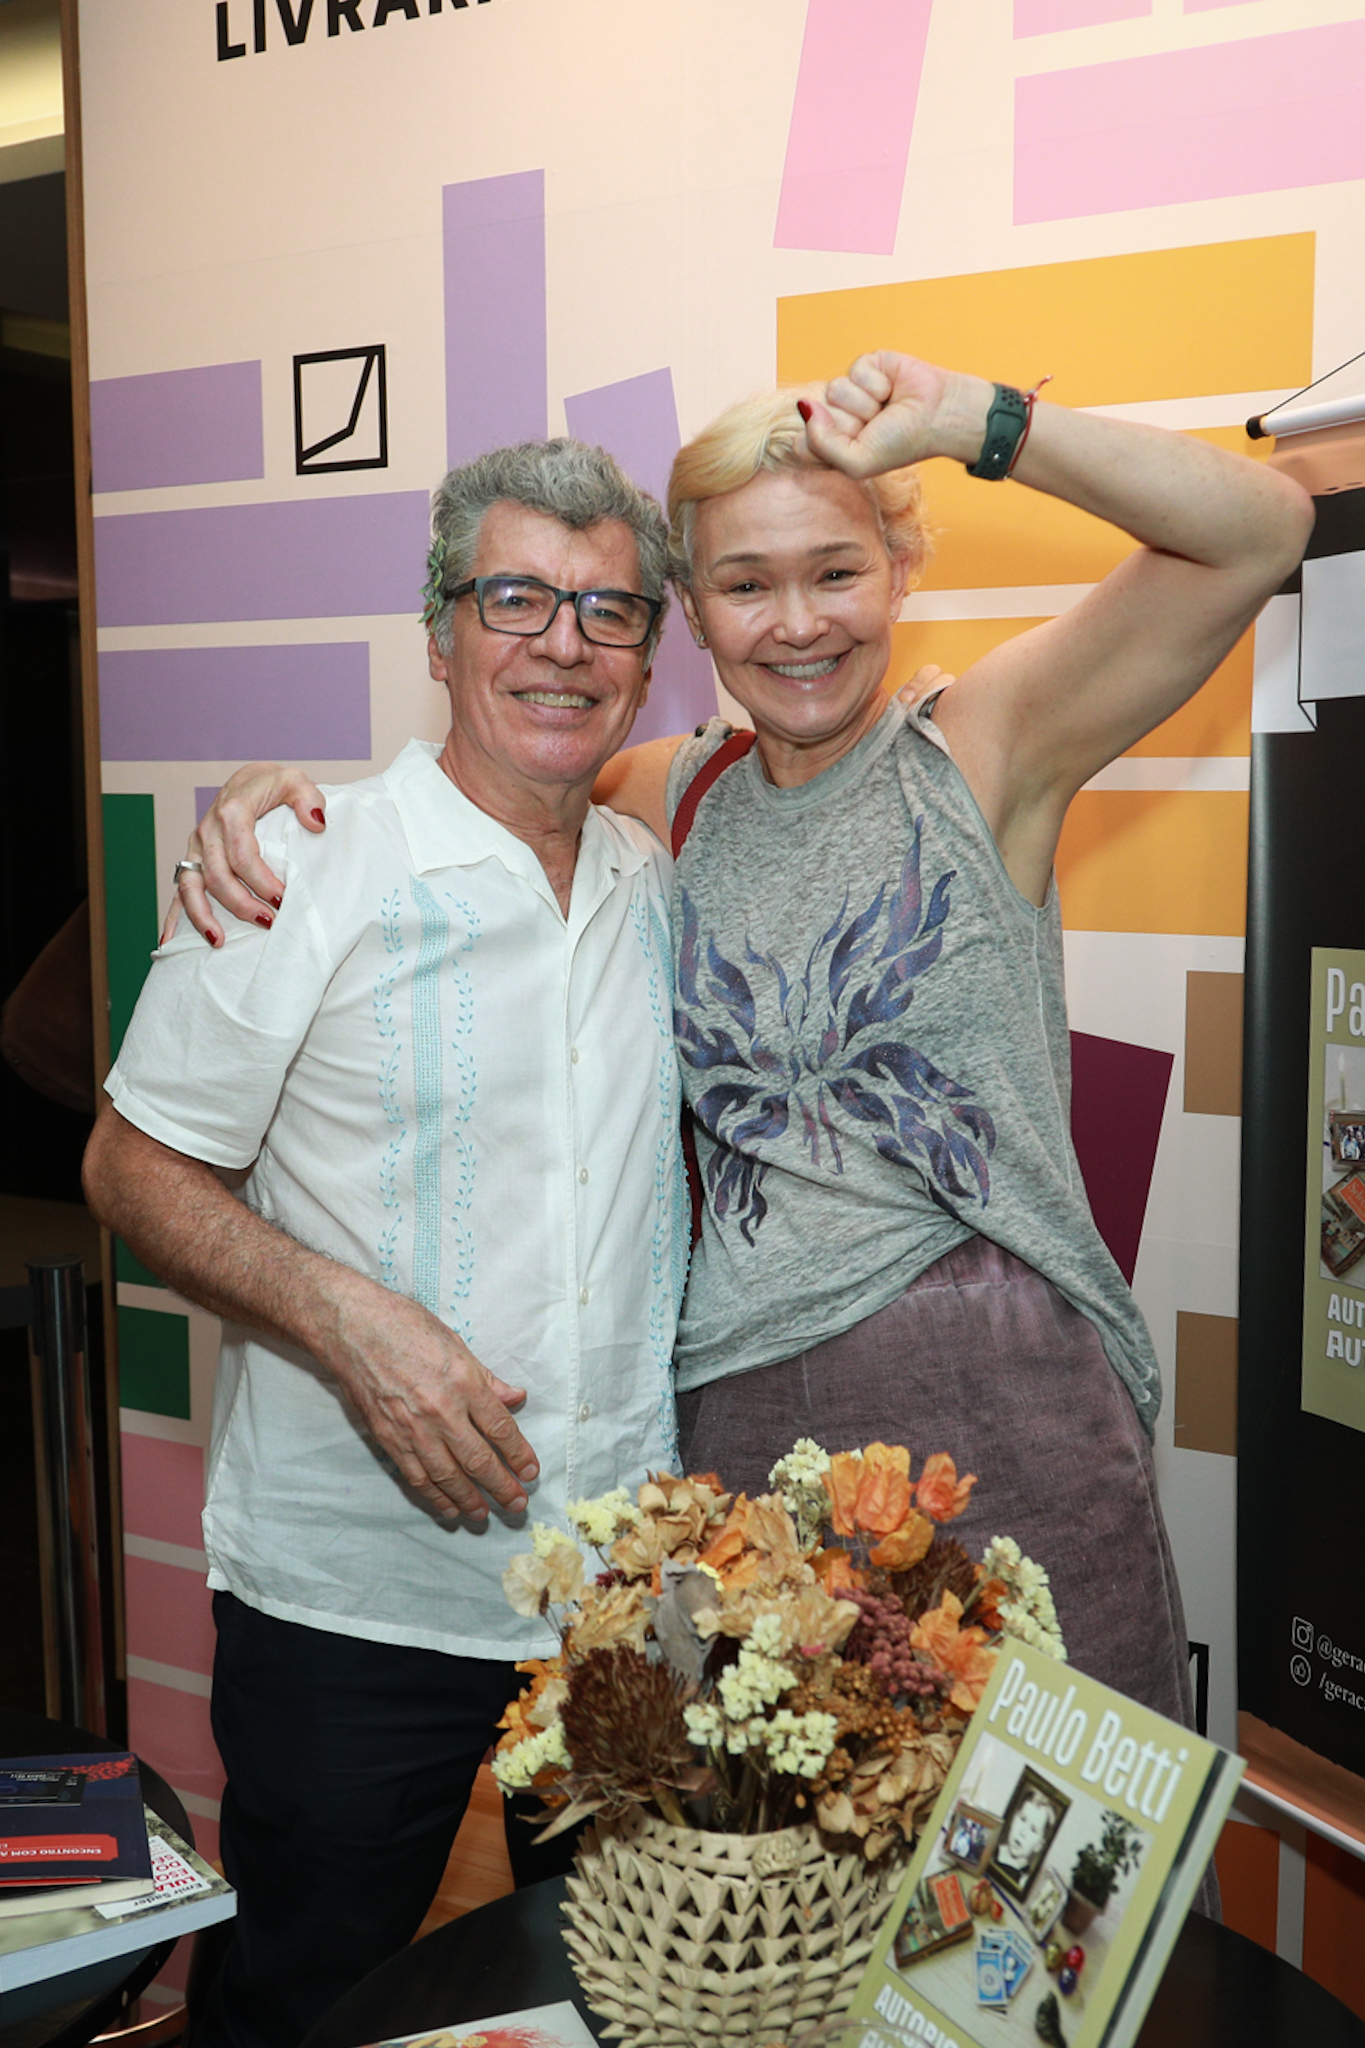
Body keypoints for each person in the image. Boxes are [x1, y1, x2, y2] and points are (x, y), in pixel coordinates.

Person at [180, 350, 1312, 1736]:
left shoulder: (984, 749)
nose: (794, 626)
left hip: (1003, 1408)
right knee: (773, 1918)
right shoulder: (667, 793)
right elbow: (482, 785)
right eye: (742, 584)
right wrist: (275, 807)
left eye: (834, 572)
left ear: (900, 573)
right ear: (690, 624)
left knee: (1050, 1894)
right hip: (736, 1439)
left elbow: (1258, 528)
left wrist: (971, 421)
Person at [81, 439, 691, 2048]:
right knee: (309, 1998)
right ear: (438, 633)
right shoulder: (296, 864)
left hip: (615, 1595)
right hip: (359, 1599)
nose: (561, 642)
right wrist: (357, 1328)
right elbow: (131, 1166)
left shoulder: (657, 878)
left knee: (589, 1996)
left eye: (608, 611)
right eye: (515, 599)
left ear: (646, 652)